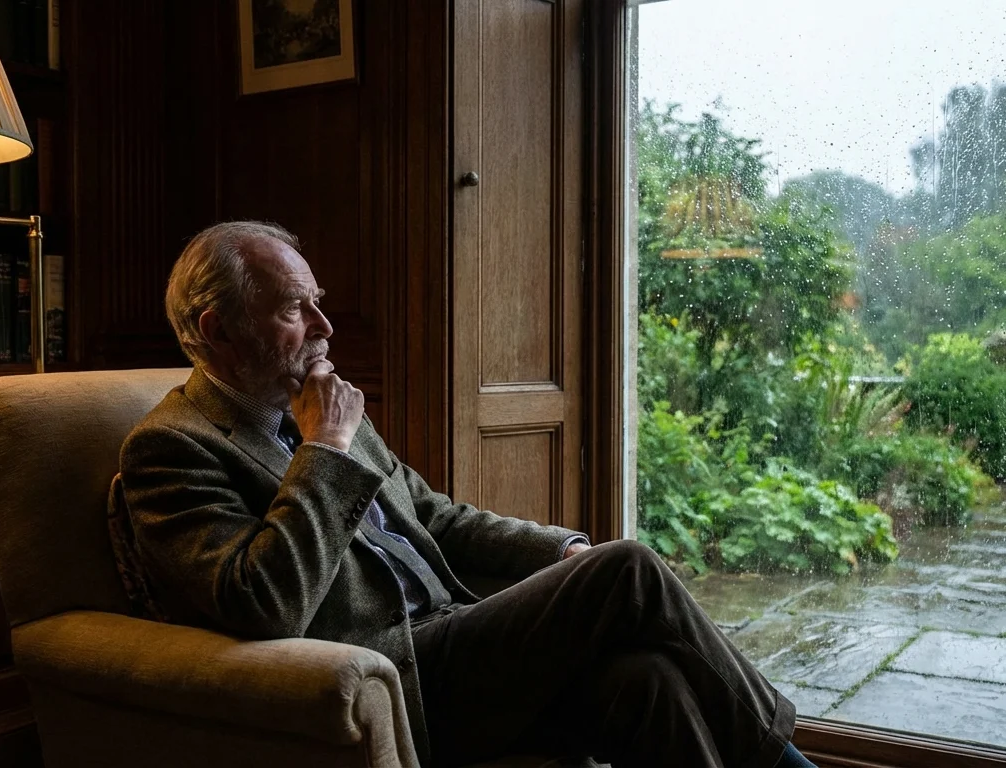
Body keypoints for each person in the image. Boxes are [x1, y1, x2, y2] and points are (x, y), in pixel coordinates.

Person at [118, 221, 815, 768]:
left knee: (646, 678)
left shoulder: (318, 404)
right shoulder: (172, 449)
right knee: (627, 568)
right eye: (297, 310)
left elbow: (435, 517)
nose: (326, 328)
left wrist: (560, 549)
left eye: (319, 303)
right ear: (218, 330)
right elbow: (262, 603)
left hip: (457, 635)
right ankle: (787, 764)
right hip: (394, 676)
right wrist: (325, 451)